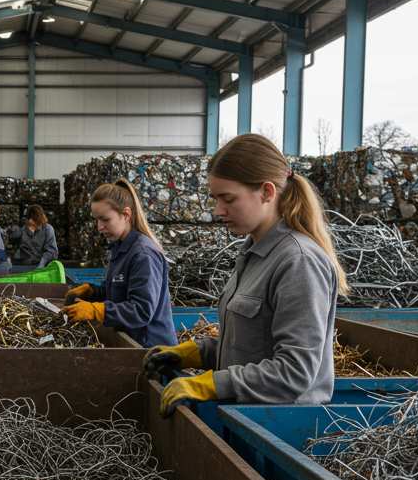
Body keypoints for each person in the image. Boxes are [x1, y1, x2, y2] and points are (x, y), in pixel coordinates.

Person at [145, 133, 347, 416]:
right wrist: (199, 352)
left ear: (266, 192)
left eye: (228, 199)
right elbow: (252, 346)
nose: (218, 210)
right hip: (246, 417)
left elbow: (294, 373)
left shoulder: (298, 262)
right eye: (215, 199)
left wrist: (210, 384)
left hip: (280, 429)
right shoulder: (253, 252)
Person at [61, 179, 174, 348]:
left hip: (151, 349)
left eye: (105, 219)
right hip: (131, 342)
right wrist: (92, 292)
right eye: (97, 220)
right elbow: (116, 293)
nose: (99, 227)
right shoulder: (120, 248)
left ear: (126, 215)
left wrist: (97, 310)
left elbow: (142, 311)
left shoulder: (143, 254)